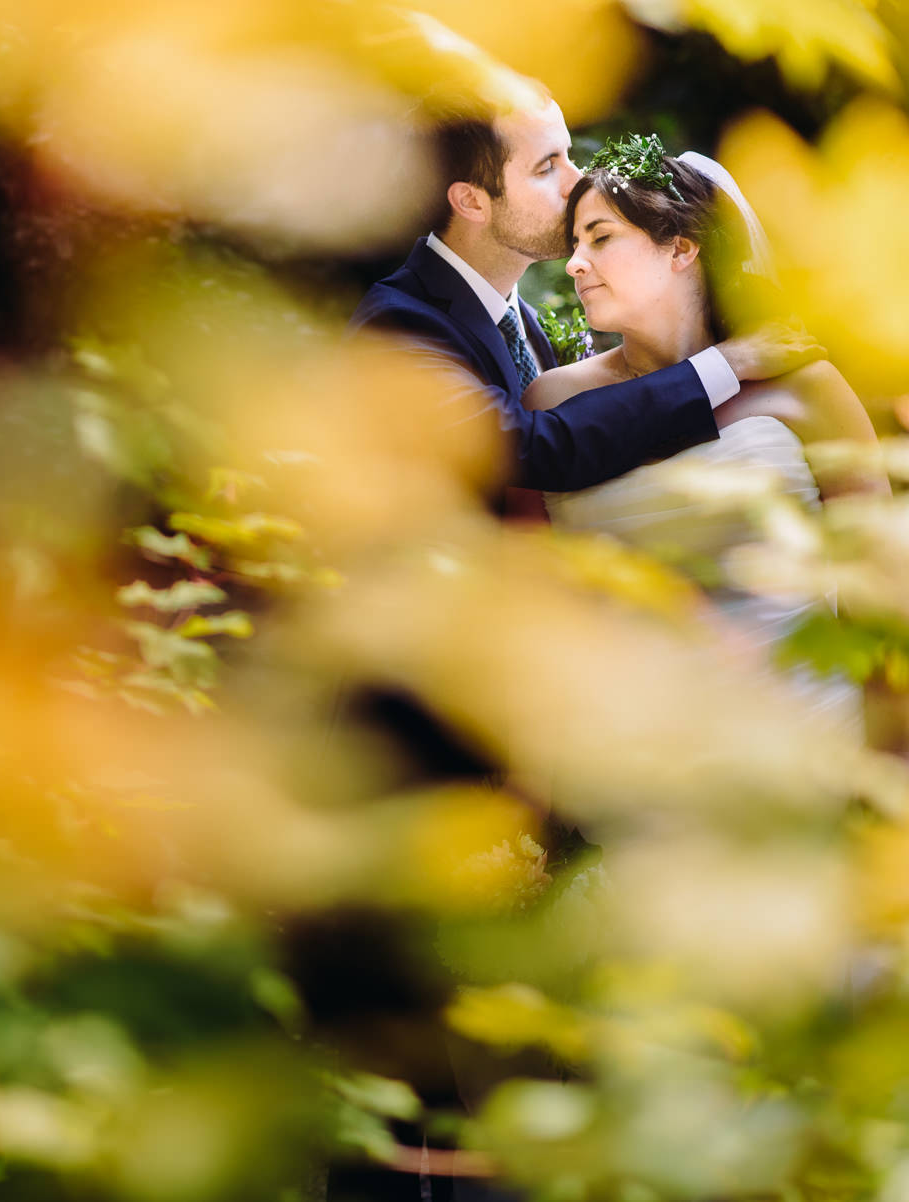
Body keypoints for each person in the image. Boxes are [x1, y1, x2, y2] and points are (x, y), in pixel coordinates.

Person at [524, 137, 886, 731]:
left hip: (808, 739)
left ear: (681, 249)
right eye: (574, 243)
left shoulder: (808, 387)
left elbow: (881, 590)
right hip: (628, 760)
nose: (573, 264)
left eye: (601, 236)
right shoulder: (555, 402)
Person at [350, 85, 818, 495]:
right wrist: (726, 364)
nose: (577, 181)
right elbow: (529, 451)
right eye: (546, 166)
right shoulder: (397, 325)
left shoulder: (523, 323)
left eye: (568, 154)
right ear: (471, 201)